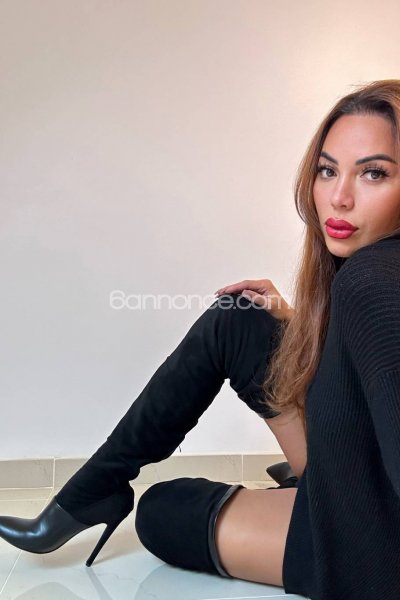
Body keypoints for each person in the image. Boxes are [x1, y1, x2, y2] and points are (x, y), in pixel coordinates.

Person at [1, 79, 400, 600]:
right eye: (328, 170)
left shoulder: (370, 281)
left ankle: (88, 497)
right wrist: (301, 324)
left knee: (162, 509)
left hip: (367, 543)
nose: (339, 197)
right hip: (357, 483)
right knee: (240, 317)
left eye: (374, 173)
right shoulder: (374, 274)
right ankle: (91, 491)